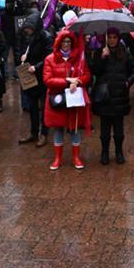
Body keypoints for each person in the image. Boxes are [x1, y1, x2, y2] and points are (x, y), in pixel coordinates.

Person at [43, 29, 92, 171]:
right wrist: (66, 81)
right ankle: (57, 158)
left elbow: (87, 75)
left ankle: (76, 157)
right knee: (58, 129)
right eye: (63, 42)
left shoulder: (79, 59)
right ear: (58, 43)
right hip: (58, 100)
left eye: (68, 42)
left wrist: (78, 81)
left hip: (73, 100)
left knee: (74, 129)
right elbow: (47, 80)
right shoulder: (49, 59)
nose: (66, 44)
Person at [89, 28, 134, 165]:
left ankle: (119, 152)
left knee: (119, 130)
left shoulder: (124, 52)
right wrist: (102, 58)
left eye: (115, 37)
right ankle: (104, 152)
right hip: (105, 96)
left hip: (119, 95)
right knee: (104, 130)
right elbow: (94, 71)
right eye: (110, 37)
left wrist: (127, 83)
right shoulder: (100, 52)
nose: (112, 40)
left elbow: (133, 71)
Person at [17, 14, 53, 147]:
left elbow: (49, 57)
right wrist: (22, 57)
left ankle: (44, 133)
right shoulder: (28, 37)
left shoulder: (47, 37)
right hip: (30, 76)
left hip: (42, 76)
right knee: (32, 106)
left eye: (30, 28)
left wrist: (36, 67)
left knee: (44, 107)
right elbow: (22, 50)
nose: (27, 31)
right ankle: (33, 132)